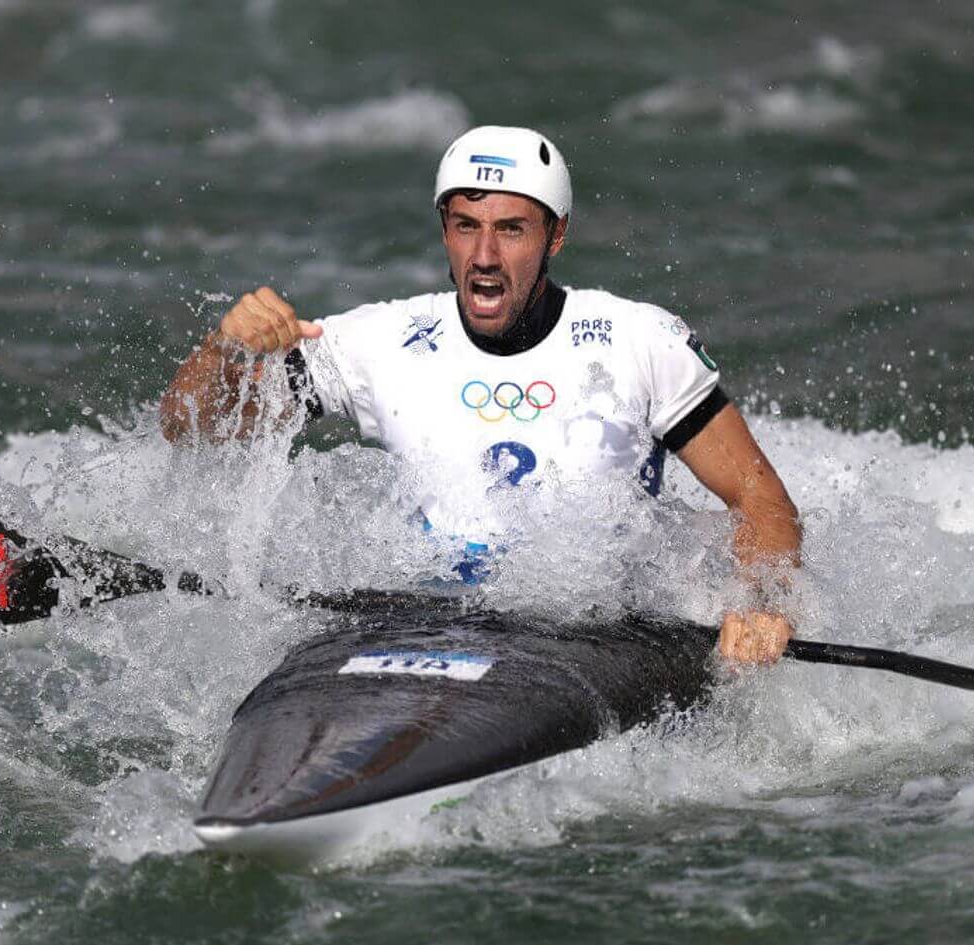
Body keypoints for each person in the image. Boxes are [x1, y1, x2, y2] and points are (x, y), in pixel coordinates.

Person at [161, 125, 800, 663]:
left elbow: (761, 499)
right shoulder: (381, 341)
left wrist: (760, 606)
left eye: (512, 230)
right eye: (466, 226)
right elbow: (190, 429)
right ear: (444, 229)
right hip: (428, 623)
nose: (485, 255)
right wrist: (224, 352)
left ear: (556, 236)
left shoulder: (639, 341)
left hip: (596, 637)